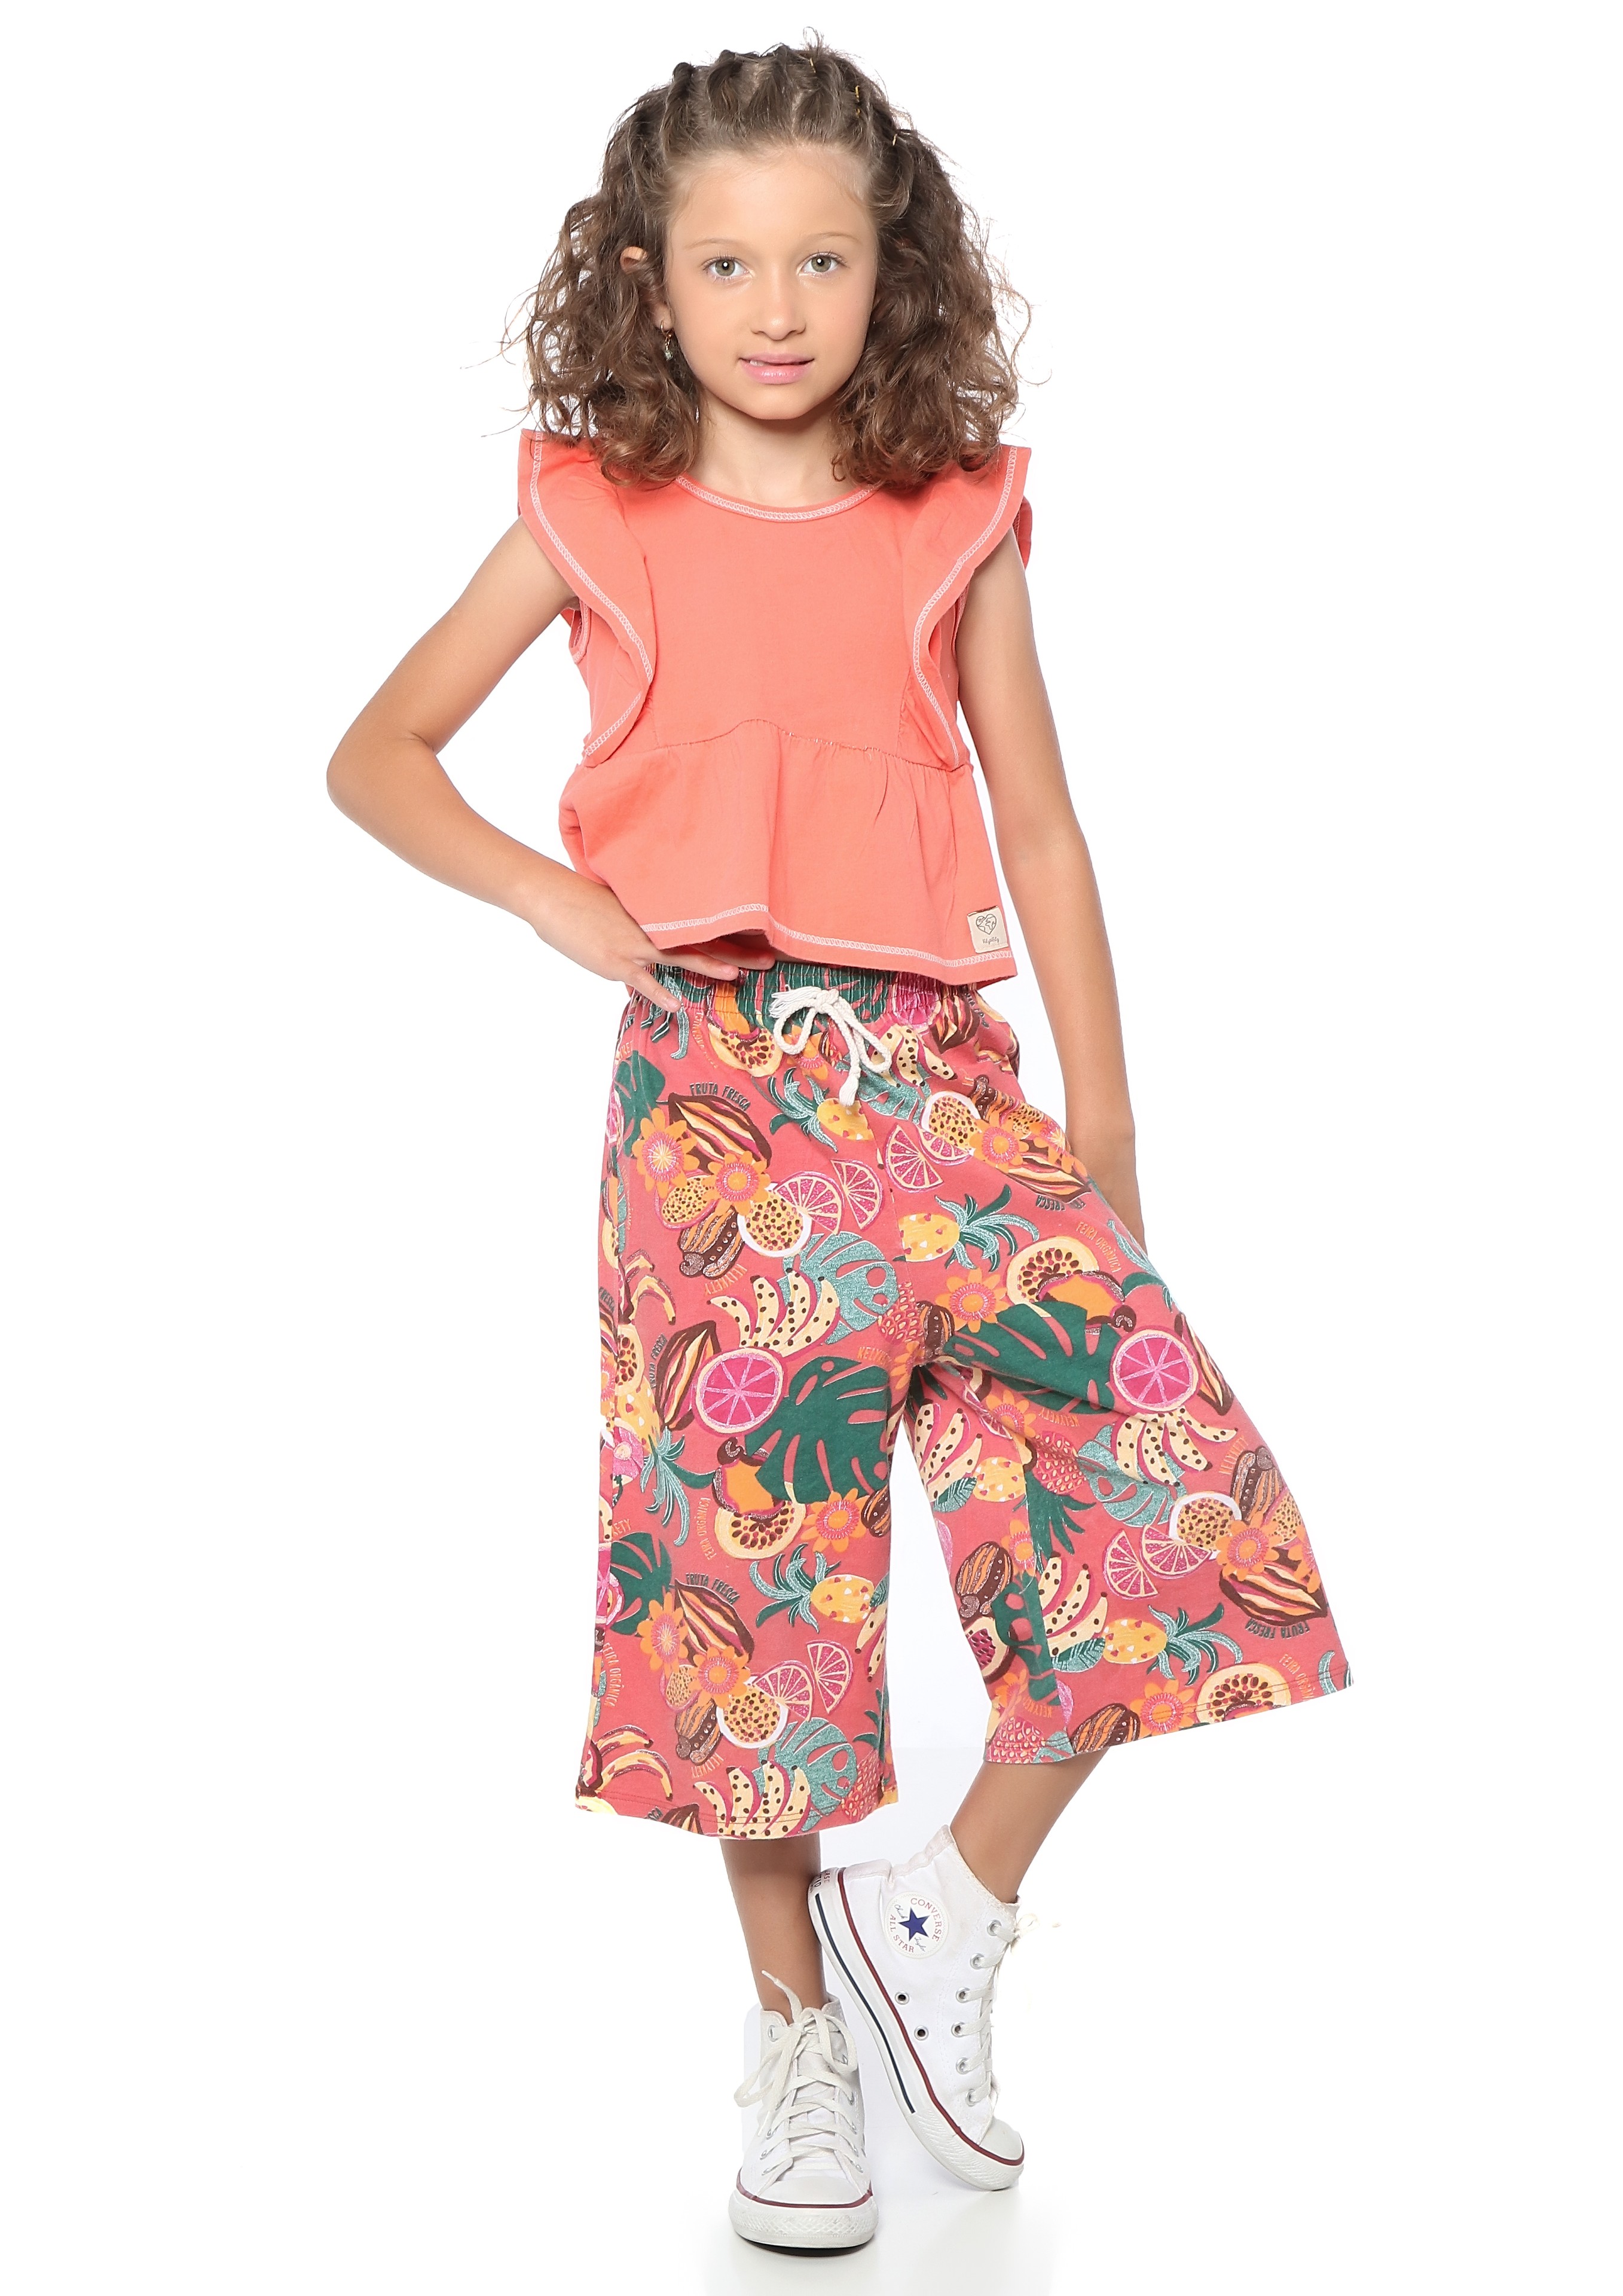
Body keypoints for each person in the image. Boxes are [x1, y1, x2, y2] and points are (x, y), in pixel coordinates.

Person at [328, 41, 1350, 2253]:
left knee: (1177, 1504)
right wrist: (552, 900)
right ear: (645, 278)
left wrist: (1104, 1119)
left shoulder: (950, 509)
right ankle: (791, 2035)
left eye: (820, 259)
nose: (775, 306)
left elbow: (1042, 828)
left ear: (896, 270)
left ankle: (936, 1915)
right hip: (709, 1109)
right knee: (747, 1595)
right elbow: (377, 752)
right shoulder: (590, 512)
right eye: (724, 264)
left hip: (939, 1091)